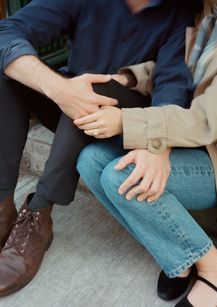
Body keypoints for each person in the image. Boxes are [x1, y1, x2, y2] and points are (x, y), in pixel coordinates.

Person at [0, 0, 202, 297]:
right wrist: (59, 89)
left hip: (126, 121)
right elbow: (6, 31)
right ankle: (3, 205)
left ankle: (38, 216)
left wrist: (159, 144)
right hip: (73, 109)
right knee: (9, 73)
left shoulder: (179, 10)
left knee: (93, 89)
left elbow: (172, 85)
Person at [77, 0, 217, 306]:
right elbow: (182, 70)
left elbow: (204, 120)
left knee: (121, 175)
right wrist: (128, 79)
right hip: (189, 141)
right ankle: (180, 257)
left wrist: (126, 121)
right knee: (91, 160)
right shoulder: (206, 14)